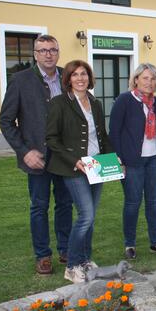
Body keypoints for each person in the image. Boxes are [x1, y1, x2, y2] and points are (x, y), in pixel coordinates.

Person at [0, 34, 73, 275]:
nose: (48, 54)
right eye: (42, 50)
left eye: (52, 49)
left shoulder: (68, 77)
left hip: (64, 156)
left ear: (58, 52)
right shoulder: (20, 80)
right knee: (39, 207)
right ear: (35, 54)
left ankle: (66, 249)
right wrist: (24, 151)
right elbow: (6, 120)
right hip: (37, 157)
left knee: (65, 204)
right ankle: (43, 255)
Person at [46, 60, 112, 283]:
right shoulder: (59, 103)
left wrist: (115, 159)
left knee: (90, 218)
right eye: (75, 75)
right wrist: (74, 161)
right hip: (73, 167)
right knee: (86, 215)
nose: (80, 78)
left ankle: (85, 259)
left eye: (84, 74)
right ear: (68, 79)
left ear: (89, 77)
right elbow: (51, 139)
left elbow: (102, 135)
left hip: (96, 166)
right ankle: (72, 265)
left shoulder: (96, 103)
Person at [110, 63, 156, 259]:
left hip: (155, 160)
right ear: (136, 79)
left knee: (153, 203)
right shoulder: (124, 100)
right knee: (132, 203)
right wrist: (119, 159)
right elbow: (114, 132)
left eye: (153, 79)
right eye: (145, 78)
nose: (150, 82)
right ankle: (130, 244)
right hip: (132, 161)